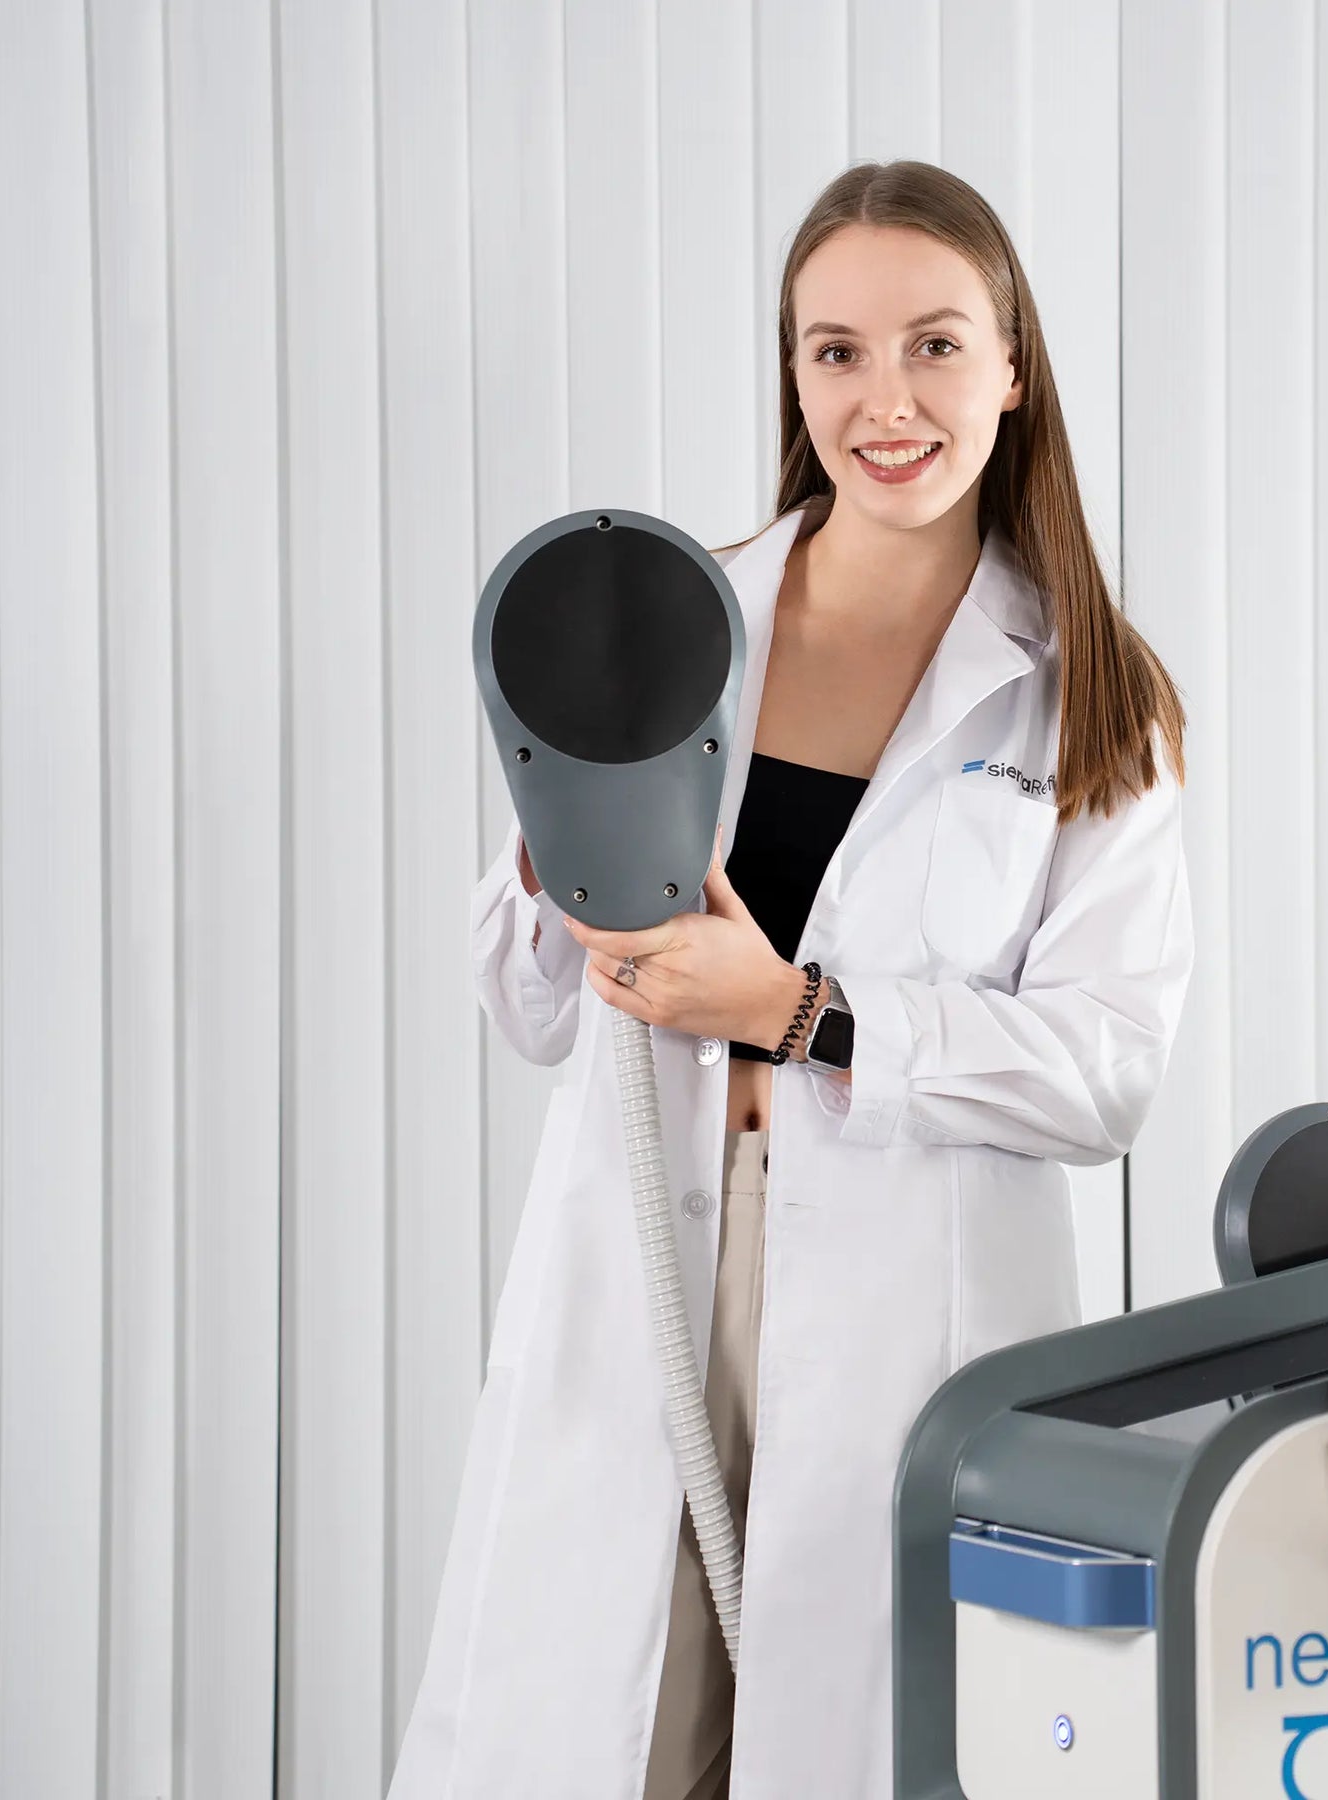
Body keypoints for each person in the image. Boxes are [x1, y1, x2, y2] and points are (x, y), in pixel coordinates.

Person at [387, 158, 1194, 1800]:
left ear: (1013, 367)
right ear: (794, 375)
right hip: (649, 1261)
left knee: (854, 1735)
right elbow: (531, 1006)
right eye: (837, 351)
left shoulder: (1092, 695)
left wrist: (799, 1013)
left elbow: (1106, 1073)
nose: (886, 401)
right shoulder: (678, 622)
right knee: (616, 1730)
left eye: (935, 345)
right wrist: (562, 826)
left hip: (905, 1312)